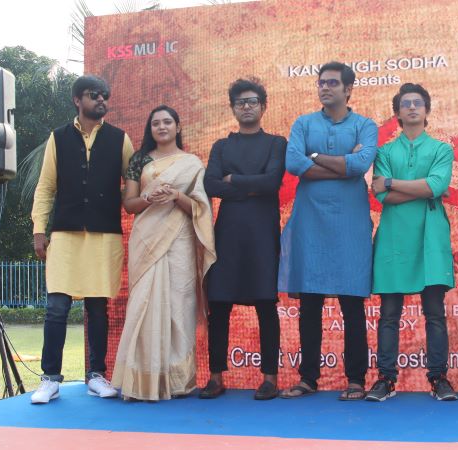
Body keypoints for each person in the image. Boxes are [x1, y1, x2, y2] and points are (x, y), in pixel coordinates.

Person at [30, 75, 134, 404]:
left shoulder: (120, 139)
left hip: (104, 237)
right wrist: (38, 229)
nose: (101, 100)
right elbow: (46, 187)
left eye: (105, 95)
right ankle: (50, 379)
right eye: (93, 95)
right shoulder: (58, 137)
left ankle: (96, 375)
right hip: (65, 235)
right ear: (77, 100)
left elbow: (134, 184)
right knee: (56, 308)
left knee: (98, 308)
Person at [278, 62, 378, 400]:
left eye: (333, 83)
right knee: (310, 302)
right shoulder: (303, 123)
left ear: (348, 89)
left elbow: (361, 165)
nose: (325, 88)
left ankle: (356, 380)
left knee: (352, 304)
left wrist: (315, 156)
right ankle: (308, 379)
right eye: (321, 83)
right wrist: (342, 166)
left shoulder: (364, 125)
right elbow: (294, 163)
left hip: (350, 224)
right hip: (310, 223)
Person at [111, 105, 215, 401]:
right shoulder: (139, 160)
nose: (161, 127)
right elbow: (129, 205)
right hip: (147, 239)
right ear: (150, 128)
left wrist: (176, 195)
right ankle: (141, 382)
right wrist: (149, 198)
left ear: (178, 127)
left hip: (180, 240)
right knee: (144, 305)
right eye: (155, 123)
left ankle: (178, 381)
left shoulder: (192, 163)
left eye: (167, 122)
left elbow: (200, 209)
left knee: (179, 306)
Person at [366, 83, 457, 402]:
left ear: (427, 110)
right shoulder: (385, 152)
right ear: (398, 113)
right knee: (389, 314)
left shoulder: (442, 149)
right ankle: (385, 379)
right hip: (395, 238)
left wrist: (393, 182)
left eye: (418, 103)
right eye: (406, 104)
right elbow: (382, 196)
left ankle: (439, 378)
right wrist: (420, 189)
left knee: (434, 313)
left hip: (430, 236)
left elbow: (437, 186)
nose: (413, 108)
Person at [200, 78, 286, 401]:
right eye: (240, 102)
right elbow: (210, 185)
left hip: (263, 231)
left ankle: (270, 378)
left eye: (252, 101)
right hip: (228, 232)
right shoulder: (221, 146)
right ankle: (215, 377)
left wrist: (233, 180)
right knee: (219, 304)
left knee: (266, 304)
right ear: (233, 108)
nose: (246, 107)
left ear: (263, 107)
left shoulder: (276, 143)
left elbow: (272, 182)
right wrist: (250, 187)